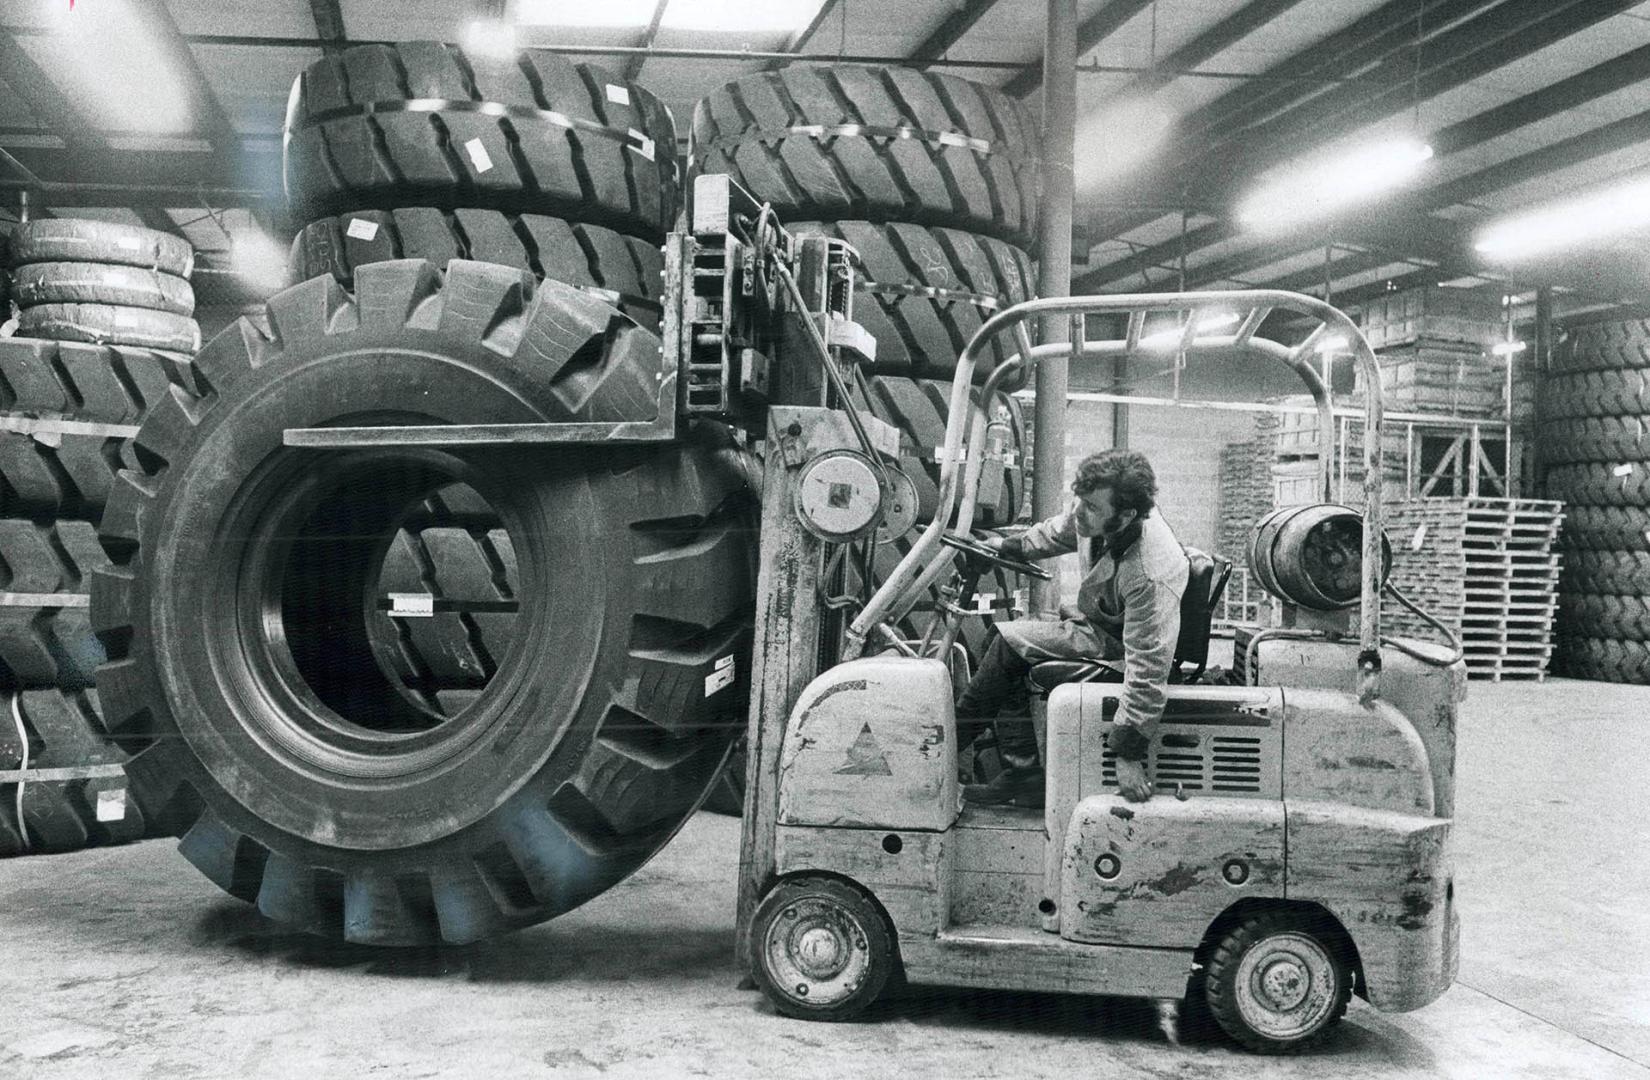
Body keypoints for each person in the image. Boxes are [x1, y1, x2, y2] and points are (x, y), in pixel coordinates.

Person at [957, 449, 1189, 808]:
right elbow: (1061, 531)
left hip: (1120, 650)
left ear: (1126, 515)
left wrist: (1127, 753)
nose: (1079, 511)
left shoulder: (1150, 572)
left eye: (1092, 507)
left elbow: (1148, 666)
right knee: (1001, 639)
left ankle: (944, 747)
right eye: (1079, 500)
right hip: (1097, 625)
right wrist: (1007, 546)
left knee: (1007, 644)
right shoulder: (1098, 514)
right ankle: (1023, 772)